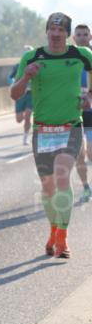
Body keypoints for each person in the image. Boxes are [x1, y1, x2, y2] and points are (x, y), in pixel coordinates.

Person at [10, 13, 92, 259]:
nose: (56, 34)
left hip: (70, 127)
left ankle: (63, 239)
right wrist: (27, 76)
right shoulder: (32, 57)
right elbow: (14, 94)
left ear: (67, 34)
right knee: (48, 187)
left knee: (62, 177)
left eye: (61, 31)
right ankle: (54, 230)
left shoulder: (81, 54)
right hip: (43, 130)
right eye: (52, 30)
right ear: (46, 32)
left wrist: (89, 96)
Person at [73, 24, 91, 203]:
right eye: (79, 34)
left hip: (91, 111)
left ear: (90, 37)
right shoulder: (67, 59)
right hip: (74, 111)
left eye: (85, 34)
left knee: (90, 152)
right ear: (73, 38)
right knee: (80, 154)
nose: (82, 37)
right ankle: (86, 187)